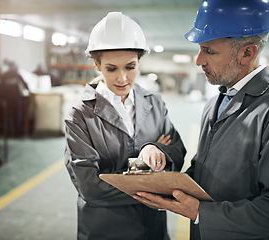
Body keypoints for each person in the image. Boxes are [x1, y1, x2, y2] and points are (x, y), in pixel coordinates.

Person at [133, 1, 269, 239]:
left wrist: (200, 213)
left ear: (247, 53)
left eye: (209, 51)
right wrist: (163, 185)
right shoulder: (217, 102)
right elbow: (204, 173)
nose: (198, 60)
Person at [64, 12, 186, 240]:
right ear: (97, 64)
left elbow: (177, 153)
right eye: (111, 68)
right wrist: (149, 172)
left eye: (130, 67)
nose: (122, 78)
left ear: (140, 61)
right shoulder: (80, 116)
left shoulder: (154, 102)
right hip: (107, 229)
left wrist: (155, 149)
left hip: (153, 228)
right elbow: (91, 188)